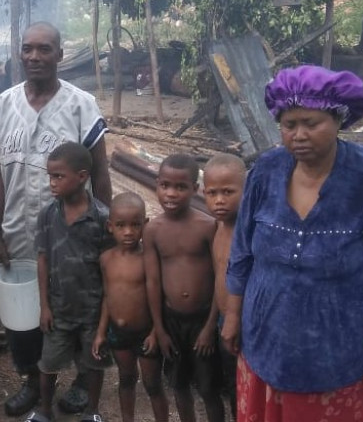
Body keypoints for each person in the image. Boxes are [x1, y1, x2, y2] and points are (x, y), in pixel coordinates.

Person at [221, 65, 363, 422]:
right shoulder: (265, 171)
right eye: (289, 125)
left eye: (311, 124)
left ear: (338, 120)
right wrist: (233, 315)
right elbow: (242, 251)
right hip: (265, 339)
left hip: (338, 349)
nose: (299, 135)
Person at [0, 21, 112, 417]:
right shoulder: (3, 105)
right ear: (19, 54)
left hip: (73, 232)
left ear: (59, 54)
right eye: (28, 49)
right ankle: (30, 379)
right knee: (23, 309)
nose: (35, 56)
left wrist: (104, 231)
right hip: (18, 230)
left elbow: (101, 171)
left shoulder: (80, 104)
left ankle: (78, 380)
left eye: (44, 49)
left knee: (78, 304)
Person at [25, 142, 112, 422]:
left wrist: (104, 318)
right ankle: (45, 410)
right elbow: (43, 260)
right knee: (48, 363)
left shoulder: (101, 217)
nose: (52, 183)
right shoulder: (49, 215)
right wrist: (44, 306)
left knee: (93, 363)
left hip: (93, 310)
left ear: (83, 176)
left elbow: (110, 269)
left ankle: (92, 412)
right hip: (59, 309)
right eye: (50, 176)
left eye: (59, 176)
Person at [144, 154, 224, 422]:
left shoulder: (207, 226)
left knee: (208, 387)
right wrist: (159, 328)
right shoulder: (153, 230)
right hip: (171, 322)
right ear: (157, 184)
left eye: (180, 187)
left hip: (203, 320)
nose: (171, 193)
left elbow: (219, 278)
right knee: (178, 384)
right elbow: (153, 281)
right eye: (165, 185)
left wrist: (210, 328)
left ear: (195, 189)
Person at [92, 192, 169, 422]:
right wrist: (100, 332)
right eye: (121, 225)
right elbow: (107, 296)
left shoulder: (149, 257)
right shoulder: (106, 259)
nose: (128, 232)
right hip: (118, 332)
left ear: (145, 224)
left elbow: (161, 298)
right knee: (126, 378)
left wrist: (156, 332)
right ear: (110, 226)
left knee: (152, 383)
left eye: (135, 225)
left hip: (146, 333)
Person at [201, 153, 246, 415]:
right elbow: (219, 282)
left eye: (228, 192)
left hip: (246, 324)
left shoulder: (249, 232)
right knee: (232, 387)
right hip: (222, 324)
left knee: (248, 389)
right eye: (212, 192)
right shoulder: (216, 228)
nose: (219, 200)